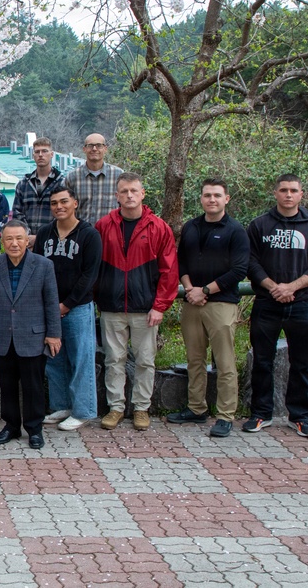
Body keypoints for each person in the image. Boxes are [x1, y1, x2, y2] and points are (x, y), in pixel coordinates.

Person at [244, 174, 308, 438]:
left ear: (301, 194)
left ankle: (300, 416)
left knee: (302, 363)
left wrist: (291, 287)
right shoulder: (260, 225)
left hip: (302, 304)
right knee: (262, 361)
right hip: (266, 304)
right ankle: (261, 413)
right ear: (276, 193)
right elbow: (250, 262)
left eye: (293, 190)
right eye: (283, 190)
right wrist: (274, 287)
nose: (288, 195)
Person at [94, 173, 178, 431]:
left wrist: (160, 306)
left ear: (143, 193)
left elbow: (169, 270)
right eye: (124, 191)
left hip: (146, 308)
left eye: (134, 191)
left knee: (145, 360)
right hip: (111, 306)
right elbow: (94, 267)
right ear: (116, 196)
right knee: (113, 360)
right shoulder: (103, 226)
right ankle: (116, 407)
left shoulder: (158, 227)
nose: (129, 195)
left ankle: (141, 408)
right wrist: (99, 298)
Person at [169, 179, 250, 438]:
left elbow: (239, 270)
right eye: (207, 195)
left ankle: (225, 416)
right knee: (195, 360)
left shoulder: (236, 230)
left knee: (225, 362)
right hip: (192, 303)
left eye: (217, 195)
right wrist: (190, 289)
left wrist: (204, 291)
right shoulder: (191, 227)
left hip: (221, 304)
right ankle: (196, 408)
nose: (211, 199)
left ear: (227, 198)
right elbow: (180, 262)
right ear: (201, 198)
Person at [0, 221, 62, 449]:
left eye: (19, 239)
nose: (14, 243)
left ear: (27, 241)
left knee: (33, 385)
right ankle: (11, 426)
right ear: (2, 242)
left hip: (33, 336)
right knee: (7, 384)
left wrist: (54, 334)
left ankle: (34, 429)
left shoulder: (44, 266)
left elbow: (51, 303)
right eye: (9, 239)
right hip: (2, 336)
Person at [33, 187, 102, 431]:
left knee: (81, 358)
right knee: (54, 358)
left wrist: (67, 304)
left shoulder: (89, 235)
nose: (59, 206)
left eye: (64, 201)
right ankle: (61, 405)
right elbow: (37, 269)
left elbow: (90, 275)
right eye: (53, 203)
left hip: (78, 307)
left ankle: (84, 411)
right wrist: (49, 306)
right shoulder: (44, 233)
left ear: (75, 203)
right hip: (49, 308)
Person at [10, 137, 64, 245]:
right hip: (27, 243)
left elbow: (64, 214)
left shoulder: (62, 183)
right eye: (37, 152)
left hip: (54, 241)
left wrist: (41, 237)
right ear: (33, 155)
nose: (40, 154)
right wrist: (27, 235)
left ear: (52, 154)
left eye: (44, 151)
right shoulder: (23, 184)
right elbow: (17, 213)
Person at [63, 133, 123, 226]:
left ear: (105, 149)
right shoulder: (72, 177)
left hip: (110, 235)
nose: (94, 149)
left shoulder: (118, 175)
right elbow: (64, 208)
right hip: (81, 235)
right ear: (84, 149)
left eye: (99, 145)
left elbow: (125, 206)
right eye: (90, 146)